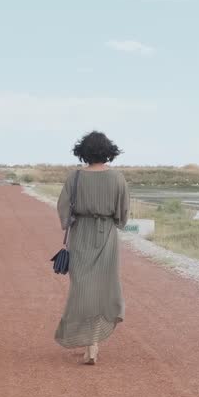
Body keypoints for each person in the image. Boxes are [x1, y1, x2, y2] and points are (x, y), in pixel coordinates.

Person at [54, 131, 130, 365]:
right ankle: (93, 343)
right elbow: (123, 214)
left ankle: (90, 343)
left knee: (82, 288)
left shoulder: (75, 177)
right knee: (103, 287)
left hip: (81, 235)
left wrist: (74, 220)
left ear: (83, 152)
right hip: (106, 235)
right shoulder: (117, 178)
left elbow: (63, 210)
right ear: (109, 152)